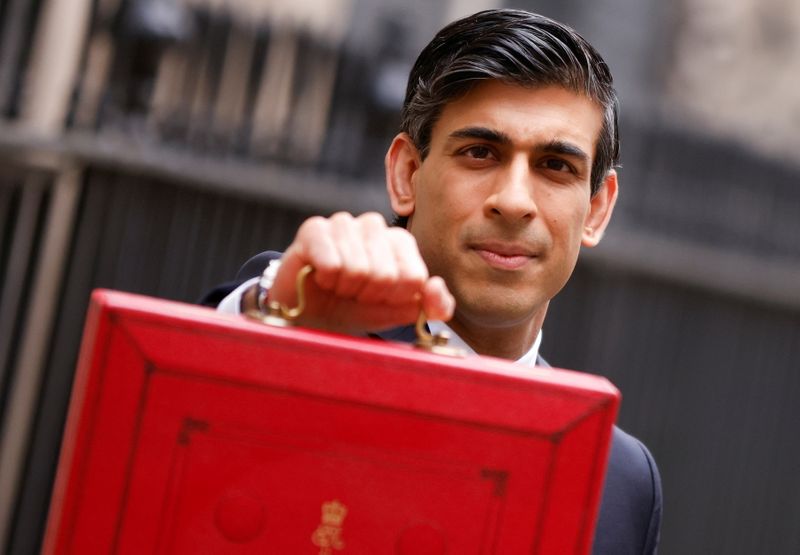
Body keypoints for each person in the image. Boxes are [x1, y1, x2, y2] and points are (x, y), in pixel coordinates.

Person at [203, 9, 661, 554]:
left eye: (555, 166)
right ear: (406, 175)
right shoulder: (299, 318)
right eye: (480, 153)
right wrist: (281, 329)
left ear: (597, 209)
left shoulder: (622, 480)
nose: (514, 201)